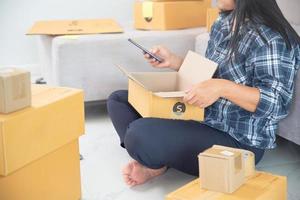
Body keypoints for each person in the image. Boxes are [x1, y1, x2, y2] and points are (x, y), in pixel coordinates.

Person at [107, 0, 300, 186]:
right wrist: (174, 61)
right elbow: (210, 75)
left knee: (140, 133)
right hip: (202, 116)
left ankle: (153, 158)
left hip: (238, 141)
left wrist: (223, 87)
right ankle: (155, 158)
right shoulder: (224, 22)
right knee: (119, 100)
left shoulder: (271, 39)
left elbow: (277, 104)